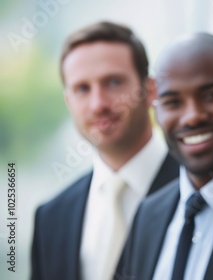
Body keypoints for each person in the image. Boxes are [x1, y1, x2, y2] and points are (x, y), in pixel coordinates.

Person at [31, 21, 179, 280]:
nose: (98, 104)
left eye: (113, 82)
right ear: (69, 101)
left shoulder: (201, 189)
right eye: (82, 89)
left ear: (150, 90)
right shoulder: (51, 217)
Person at [117, 33, 213, 280]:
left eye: (212, 95)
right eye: (173, 102)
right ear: (156, 111)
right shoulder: (149, 213)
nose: (192, 116)